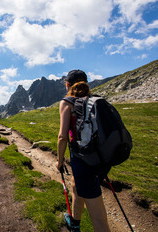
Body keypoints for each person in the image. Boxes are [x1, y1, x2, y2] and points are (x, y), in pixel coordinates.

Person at [55, 69, 111, 232]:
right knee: (75, 184)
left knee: (99, 218)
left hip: (83, 160)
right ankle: (75, 222)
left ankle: (75, 224)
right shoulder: (95, 100)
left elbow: (62, 137)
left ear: (67, 85)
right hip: (101, 158)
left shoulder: (67, 102)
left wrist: (59, 161)